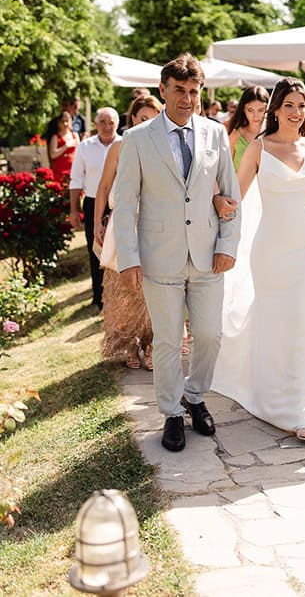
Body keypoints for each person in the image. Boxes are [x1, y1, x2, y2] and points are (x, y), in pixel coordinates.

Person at [212, 77, 305, 442]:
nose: (296, 112)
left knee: (304, 321)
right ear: (276, 108)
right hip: (271, 251)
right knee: (276, 322)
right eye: (289, 104)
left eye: (301, 105)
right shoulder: (259, 148)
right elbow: (236, 196)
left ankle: (301, 405)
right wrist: (214, 200)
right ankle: (271, 393)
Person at [113, 54, 241, 452]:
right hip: (158, 256)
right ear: (163, 91)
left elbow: (230, 195)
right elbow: (126, 201)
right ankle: (170, 413)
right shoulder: (137, 139)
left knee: (209, 334)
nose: (187, 99)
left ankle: (195, 395)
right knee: (168, 340)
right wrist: (129, 258)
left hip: (207, 255)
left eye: (194, 91)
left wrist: (227, 244)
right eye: (180, 90)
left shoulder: (216, 133)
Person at [94, 95, 163, 369]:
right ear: (132, 118)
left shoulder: (163, 146)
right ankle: (130, 345)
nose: (147, 123)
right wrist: (97, 221)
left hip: (154, 223)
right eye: (142, 118)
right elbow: (103, 186)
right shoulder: (120, 147)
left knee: (151, 288)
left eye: (152, 118)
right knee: (123, 288)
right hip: (122, 223)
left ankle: (150, 343)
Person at [69, 108, 121, 311]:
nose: (107, 127)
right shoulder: (84, 147)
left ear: (117, 123)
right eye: (103, 122)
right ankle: (99, 296)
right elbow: (76, 179)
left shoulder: (127, 142)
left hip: (118, 203)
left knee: (117, 250)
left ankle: (116, 295)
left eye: (111, 123)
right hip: (92, 202)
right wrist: (74, 210)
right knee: (96, 249)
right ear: (96, 124)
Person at [226, 86, 269, 171]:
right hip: (238, 184)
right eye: (250, 110)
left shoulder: (273, 134)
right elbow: (226, 169)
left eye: (260, 110)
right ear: (243, 109)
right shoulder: (235, 135)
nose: (255, 116)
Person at [49, 110, 80, 183]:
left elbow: (79, 153)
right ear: (59, 123)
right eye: (62, 121)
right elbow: (53, 155)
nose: (65, 124)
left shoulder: (75, 135)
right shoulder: (55, 137)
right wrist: (65, 146)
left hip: (73, 169)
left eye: (67, 121)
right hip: (60, 170)